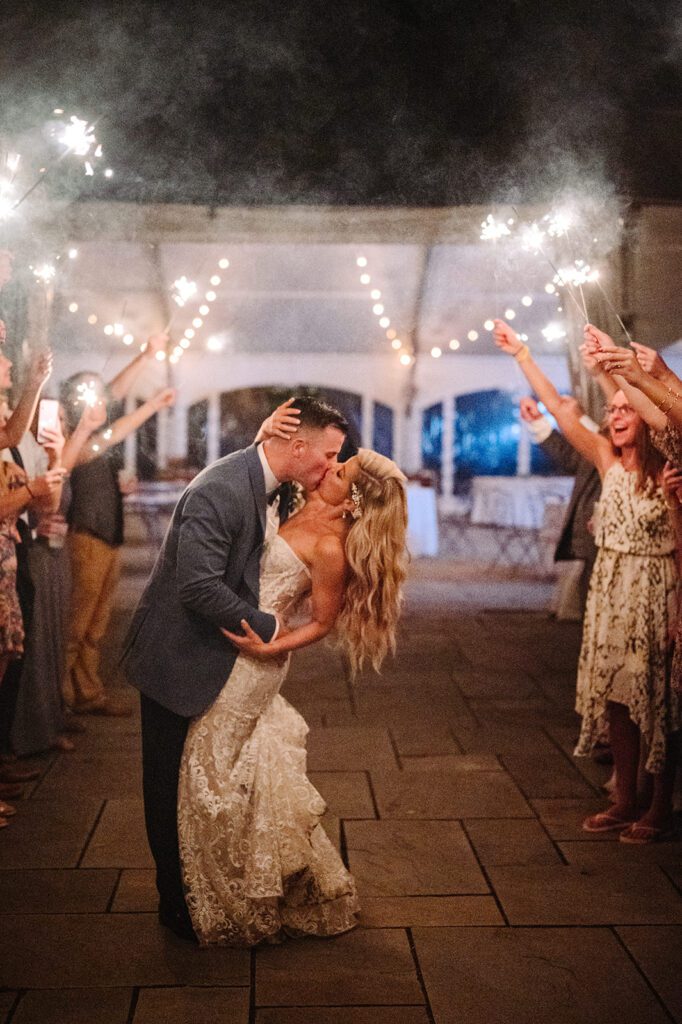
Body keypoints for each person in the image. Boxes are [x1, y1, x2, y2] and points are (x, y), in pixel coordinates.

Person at [121, 396, 350, 941]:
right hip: (177, 656)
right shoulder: (222, 487)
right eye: (329, 454)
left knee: (201, 783)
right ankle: (175, 902)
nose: (330, 466)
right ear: (296, 447)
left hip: (220, 657)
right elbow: (198, 584)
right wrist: (271, 628)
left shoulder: (269, 477)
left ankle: (213, 880)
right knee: (166, 782)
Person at [178, 445, 407, 945]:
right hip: (227, 645)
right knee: (228, 766)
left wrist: (273, 645)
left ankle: (237, 896)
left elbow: (323, 621)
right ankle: (242, 878)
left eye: (341, 470)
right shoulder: (286, 500)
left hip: (255, 659)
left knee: (211, 765)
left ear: (354, 502)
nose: (329, 466)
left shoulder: (330, 545)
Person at [494, 319, 681, 843]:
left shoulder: (666, 470)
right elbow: (557, 407)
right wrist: (523, 352)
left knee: (658, 701)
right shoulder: (604, 460)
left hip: (654, 589)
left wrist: (618, 373)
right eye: (611, 411)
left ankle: (659, 806)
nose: (615, 416)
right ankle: (625, 798)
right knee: (618, 698)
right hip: (611, 591)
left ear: (644, 420)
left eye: (625, 410)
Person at [61, 344, 175, 717]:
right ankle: (58, 705)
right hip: (86, 538)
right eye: (94, 391)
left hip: (107, 539)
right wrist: (152, 406)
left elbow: (116, 396)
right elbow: (111, 432)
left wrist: (144, 356)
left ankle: (87, 693)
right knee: (75, 629)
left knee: (96, 627)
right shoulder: (75, 442)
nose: (104, 398)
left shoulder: (94, 440)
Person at [519, 396, 601, 614]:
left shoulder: (609, 448)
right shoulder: (597, 447)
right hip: (592, 546)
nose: (613, 416)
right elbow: (571, 457)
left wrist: (577, 417)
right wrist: (539, 420)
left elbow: (594, 447)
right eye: (612, 410)